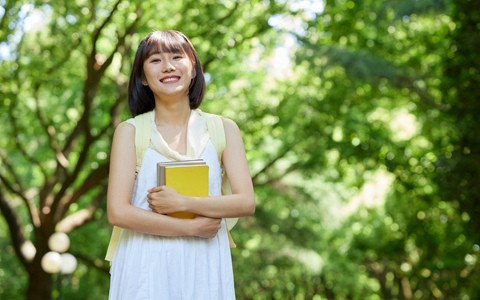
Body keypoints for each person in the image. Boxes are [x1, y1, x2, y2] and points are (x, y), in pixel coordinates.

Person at [106, 30, 255, 299]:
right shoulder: (130, 132)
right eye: (155, 60)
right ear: (142, 77)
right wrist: (190, 227)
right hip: (144, 265)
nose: (168, 66)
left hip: (206, 263)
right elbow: (118, 212)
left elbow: (245, 202)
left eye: (177, 57)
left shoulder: (223, 129)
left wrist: (184, 203)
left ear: (194, 69)